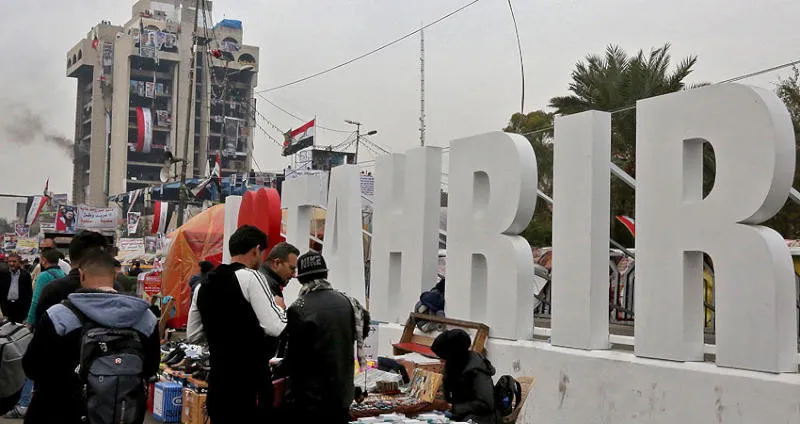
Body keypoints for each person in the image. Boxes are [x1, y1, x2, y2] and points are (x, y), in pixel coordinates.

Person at [22, 249, 160, 424]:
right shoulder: (145, 319)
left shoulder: (58, 316)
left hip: (62, 413)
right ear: (115, 276)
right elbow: (151, 368)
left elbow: (32, 367)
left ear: (81, 275)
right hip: (121, 413)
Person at [187, 225, 287, 422]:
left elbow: (193, 335)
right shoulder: (251, 277)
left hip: (218, 386)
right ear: (256, 250)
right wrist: (280, 309)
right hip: (249, 386)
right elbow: (275, 326)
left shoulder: (202, 287)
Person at [278, 251, 370, 423]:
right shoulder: (349, 302)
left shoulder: (299, 308)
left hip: (311, 401)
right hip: (342, 396)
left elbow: (294, 359)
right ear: (325, 274)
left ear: (301, 279)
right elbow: (361, 333)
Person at [33, 230, 108, 327]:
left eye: (46, 248)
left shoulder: (52, 290)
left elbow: (41, 327)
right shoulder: (113, 291)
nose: (43, 251)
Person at [431, 329, 499, 424]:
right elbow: (449, 396)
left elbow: (485, 404)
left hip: (479, 419)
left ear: (453, 355)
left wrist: (452, 407)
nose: (441, 362)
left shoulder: (477, 369)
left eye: (443, 358)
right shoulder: (454, 366)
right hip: (459, 416)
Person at [26, 248, 66, 326]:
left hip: (45, 318)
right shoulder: (63, 274)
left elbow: (36, 300)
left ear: (44, 260)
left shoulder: (43, 276)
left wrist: (30, 321)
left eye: (40, 259)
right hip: (59, 318)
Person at [259, 242, 299, 309]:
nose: (294, 275)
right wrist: (280, 310)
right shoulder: (267, 286)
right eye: (291, 268)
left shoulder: (260, 277)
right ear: (277, 263)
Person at [0, 254, 33, 323]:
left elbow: (29, 294)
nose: (12, 264)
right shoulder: (3, 273)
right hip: (6, 307)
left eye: (14, 261)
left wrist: (27, 312)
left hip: (20, 308)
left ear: (19, 262)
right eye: (10, 261)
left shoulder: (25, 275)